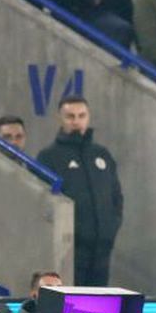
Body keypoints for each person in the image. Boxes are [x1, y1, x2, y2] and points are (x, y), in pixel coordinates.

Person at [36, 96, 123, 287]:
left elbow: (116, 197)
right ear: (60, 118)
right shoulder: (48, 157)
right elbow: (44, 204)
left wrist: (110, 228)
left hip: (102, 248)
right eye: (70, 116)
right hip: (69, 250)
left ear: (88, 117)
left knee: (99, 303)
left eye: (81, 115)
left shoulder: (102, 154)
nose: (76, 121)